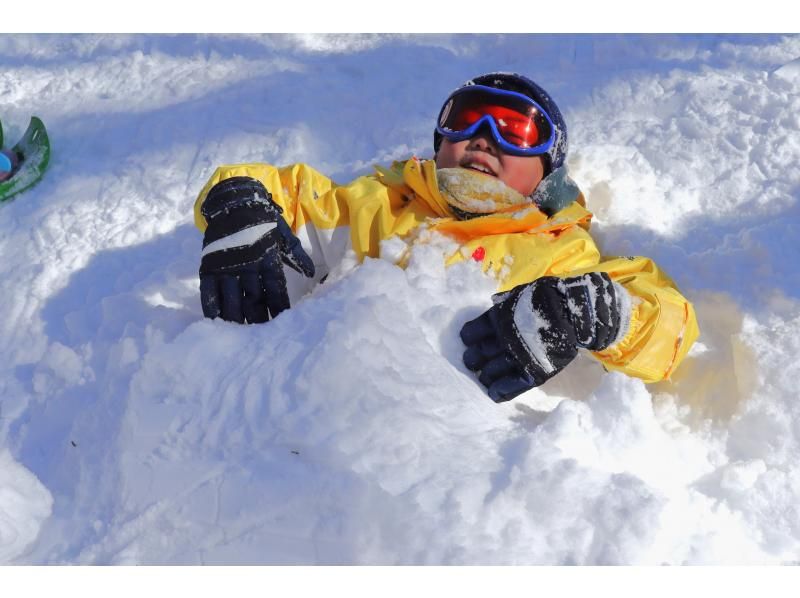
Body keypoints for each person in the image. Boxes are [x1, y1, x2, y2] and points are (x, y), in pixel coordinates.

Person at [193, 72, 699, 402]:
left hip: (449, 466)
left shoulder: (558, 254)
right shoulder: (379, 208)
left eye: (515, 130)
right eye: (465, 121)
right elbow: (281, 190)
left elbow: (668, 329)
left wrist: (598, 310)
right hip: (315, 420)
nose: (483, 137)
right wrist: (239, 204)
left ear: (547, 172)